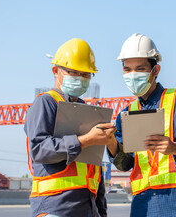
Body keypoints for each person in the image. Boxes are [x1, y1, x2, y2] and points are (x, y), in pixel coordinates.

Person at [106, 33, 176, 217]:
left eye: (140, 69)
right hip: (144, 206)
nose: (133, 75)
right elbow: (125, 164)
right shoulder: (126, 113)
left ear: (155, 70)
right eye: (127, 69)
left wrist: (175, 148)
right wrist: (110, 143)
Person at [25, 38, 116, 217]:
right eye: (74, 72)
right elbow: (39, 150)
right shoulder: (46, 103)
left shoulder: (88, 111)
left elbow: (94, 173)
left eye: (85, 74)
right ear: (55, 70)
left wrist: (101, 212)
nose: (80, 79)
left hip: (87, 209)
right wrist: (85, 140)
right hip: (55, 208)